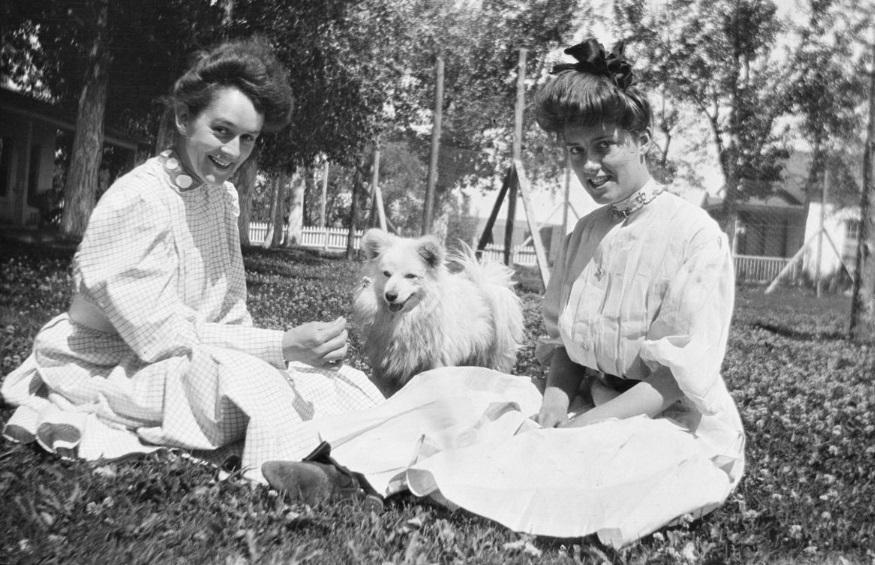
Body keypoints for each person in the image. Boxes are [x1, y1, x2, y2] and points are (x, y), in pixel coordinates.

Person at [264, 38, 745, 547]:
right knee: (446, 392)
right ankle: (340, 473)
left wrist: (584, 425)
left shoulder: (694, 235)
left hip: (668, 418)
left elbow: (673, 383)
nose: (589, 167)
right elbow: (566, 348)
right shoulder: (585, 232)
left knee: (576, 458)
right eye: (576, 151)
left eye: (604, 146)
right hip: (589, 399)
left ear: (641, 138)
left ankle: (391, 485)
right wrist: (556, 404)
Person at [1, 38, 383, 482]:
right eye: (221, 131)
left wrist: (290, 355)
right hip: (115, 364)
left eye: (248, 139)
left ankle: (350, 463)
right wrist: (278, 347)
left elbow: (229, 312)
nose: (232, 152)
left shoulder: (221, 196)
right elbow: (161, 338)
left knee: (328, 381)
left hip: (191, 356)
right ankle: (315, 470)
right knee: (246, 383)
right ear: (184, 118)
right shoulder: (137, 201)